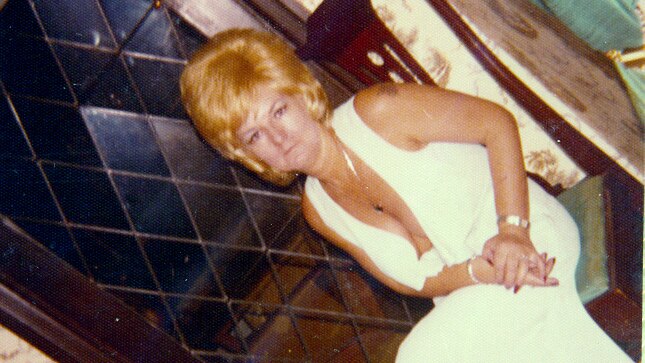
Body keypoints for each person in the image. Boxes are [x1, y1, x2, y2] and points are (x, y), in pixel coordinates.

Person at [180, 28, 632, 362]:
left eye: (278, 110)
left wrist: (513, 231)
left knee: (421, 356)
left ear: (300, 94)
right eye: (255, 135)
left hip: (529, 238)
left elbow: (496, 123)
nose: (278, 138)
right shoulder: (317, 211)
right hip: (478, 292)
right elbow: (417, 283)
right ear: (243, 154)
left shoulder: (380, 110)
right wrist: (479, 272)